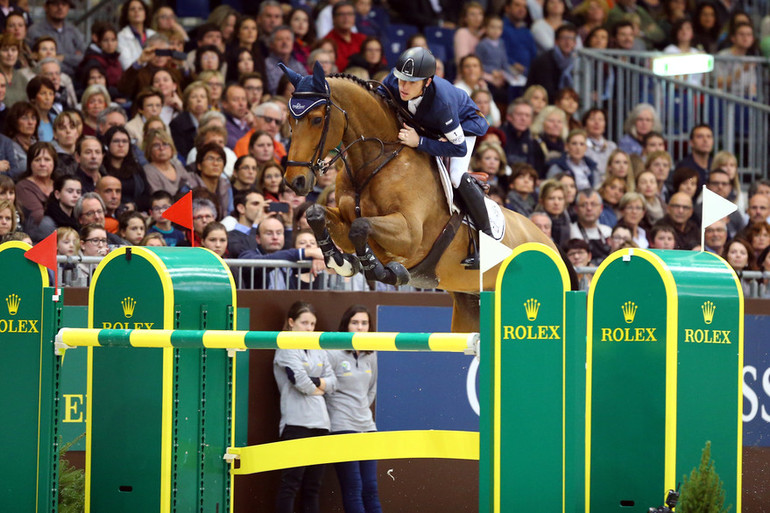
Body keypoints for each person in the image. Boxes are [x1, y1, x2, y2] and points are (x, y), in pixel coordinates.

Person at [374, 47, 490, 267]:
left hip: (463, 126)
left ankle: (487, 240)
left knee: (455, 176)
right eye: (401, 80)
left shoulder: (442, 104)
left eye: (411, 82)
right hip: (428, 124)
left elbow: (459, 149)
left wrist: (420, 143)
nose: (403, 87)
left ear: (427, 82)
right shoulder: (394, 78)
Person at [273, 301, 334, 513]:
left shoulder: (318, 348)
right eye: (304, 323)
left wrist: (317, 384)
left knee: (313, 487)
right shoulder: (286, 347)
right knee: (291, 484)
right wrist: (320, 385)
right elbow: (301, 382)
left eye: (312, 324)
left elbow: (334, 382)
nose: (309, 328)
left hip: (321, 424)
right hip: (296, 423)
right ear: (291, 323)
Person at [325, 305, 383, 513]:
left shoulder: (371, 354)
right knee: (353, 487)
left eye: (364, 323)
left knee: (371, 488)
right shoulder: (333, 354)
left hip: (367, 427)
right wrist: (342, 411)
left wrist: (360, 410)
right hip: (341, 426)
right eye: (355, 323)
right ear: (346, 325)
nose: (360, 328)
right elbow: (325, 388)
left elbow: (371, 389)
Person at [26, 0, 86, 77]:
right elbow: (36, 60)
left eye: (64, 4)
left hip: (76, 80)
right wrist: (73, 60)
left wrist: (64, 58)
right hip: (45, 78)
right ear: (46, 7)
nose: (60, 7)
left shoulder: (73, 31)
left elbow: (84, 58)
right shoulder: (35, 31)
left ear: (68, 8)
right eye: (55, 3)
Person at [525, 24, 578, 102]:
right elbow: (547, 91)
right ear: (556, 41)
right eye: (564, 38)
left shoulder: (576, 61)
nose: (568, 42)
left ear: (575, 43)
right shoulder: (544, 61)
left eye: (571, 39)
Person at [15, 141, 57, 236]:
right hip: (36, 233)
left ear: (54, 163)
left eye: (47, 159)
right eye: (37, 160)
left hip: (61, 232)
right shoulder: (23, 186)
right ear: (30, 163)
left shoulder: (59, 184)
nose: (42, 164)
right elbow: (38, 216)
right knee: (46, 222)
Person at [143, 129, 191, 195]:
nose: (162, 148)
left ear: (172, 148)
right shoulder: (148, 171)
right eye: (156, 145)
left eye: (165, 144)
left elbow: (191, 187)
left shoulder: (178, 167)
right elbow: (159, 198)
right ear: (149, 150)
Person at [569, 189, 611, 264]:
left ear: (601, 208)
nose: (589, 208)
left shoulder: (608, 232)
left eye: (593, 204)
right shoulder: (570, 231)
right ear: (576, 209)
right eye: (584, 205)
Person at [324, 1, 367, 72]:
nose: (346, 18)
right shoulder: (327, 42)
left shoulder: (363, 39)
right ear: (333, 18)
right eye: (341, 14)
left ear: (354, 17)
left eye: (350, 14)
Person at [116, 0, 155, 70]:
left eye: (140, 9)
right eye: (132, 9)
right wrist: (141, 60)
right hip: (133, 78)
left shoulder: (153, 34)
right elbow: (127, 66)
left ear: (145, 14)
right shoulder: (121, 37)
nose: (136, 11)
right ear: (127, 15)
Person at [537, 178, 570, 248]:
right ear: (542, 201)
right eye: (551, 198)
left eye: (560, 198)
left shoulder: (567, 221)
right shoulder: (535, 221)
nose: (556, 203)